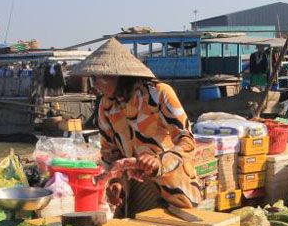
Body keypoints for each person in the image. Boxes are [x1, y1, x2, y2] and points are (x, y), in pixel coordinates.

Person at [72, 38, 203, 216]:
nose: (95, 85)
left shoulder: (159, 94)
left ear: (117, 76)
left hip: (173, 188)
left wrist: (159, 162)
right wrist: (115, 183)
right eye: (93, 79)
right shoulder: (106, 106)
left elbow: (187, 141)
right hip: (135, 190)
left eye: (99, 78)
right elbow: (110, 153)